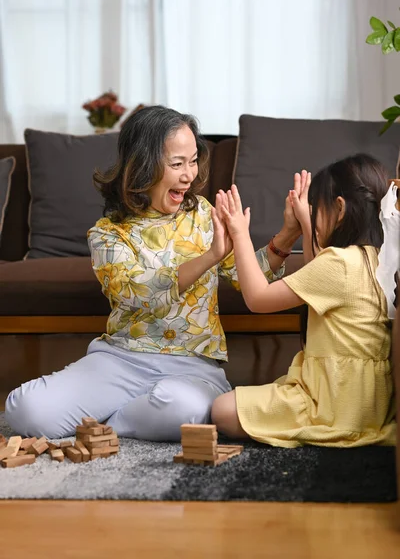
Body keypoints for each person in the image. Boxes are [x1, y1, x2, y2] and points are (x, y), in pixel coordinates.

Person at [5, 105, 302, 441]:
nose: (189, 174)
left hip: (193, 365)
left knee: (184, 409)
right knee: (25, 410)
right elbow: (139, 294)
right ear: (143, 166)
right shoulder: (107, 234)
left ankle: (107, 424)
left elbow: (244, 275)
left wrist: (288, 235)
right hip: (120, 360)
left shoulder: (202, 214)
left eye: (193, 161)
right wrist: (210, 256)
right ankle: (135, 413)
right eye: (177, 164)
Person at [211, 155, 396, 447]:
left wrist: (239, 234)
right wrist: (307, 225)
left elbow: (257, 299)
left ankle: (317, 428)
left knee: (222, 410)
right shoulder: (376, 257)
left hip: (332, 405)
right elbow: (317, 274)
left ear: (340, 208)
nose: (315, 219)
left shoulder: (339, 263)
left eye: (318, 211)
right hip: (364, 405)